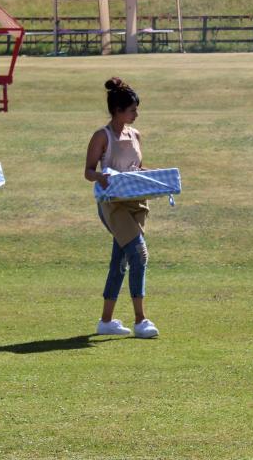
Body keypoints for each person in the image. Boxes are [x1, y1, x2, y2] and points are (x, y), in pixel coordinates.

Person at [84, 77, 159, 338]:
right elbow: (88, 172)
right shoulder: (101, 136)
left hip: (137, 204)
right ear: (117, 110)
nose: (136, 114)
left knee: (121, 259)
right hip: (112, 206)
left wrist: (158, 178)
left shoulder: (135, 135)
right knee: (139, 254)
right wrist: (100, 177)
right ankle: (141, 320)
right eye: (132, 110)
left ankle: (106, 321)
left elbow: (137, 168)